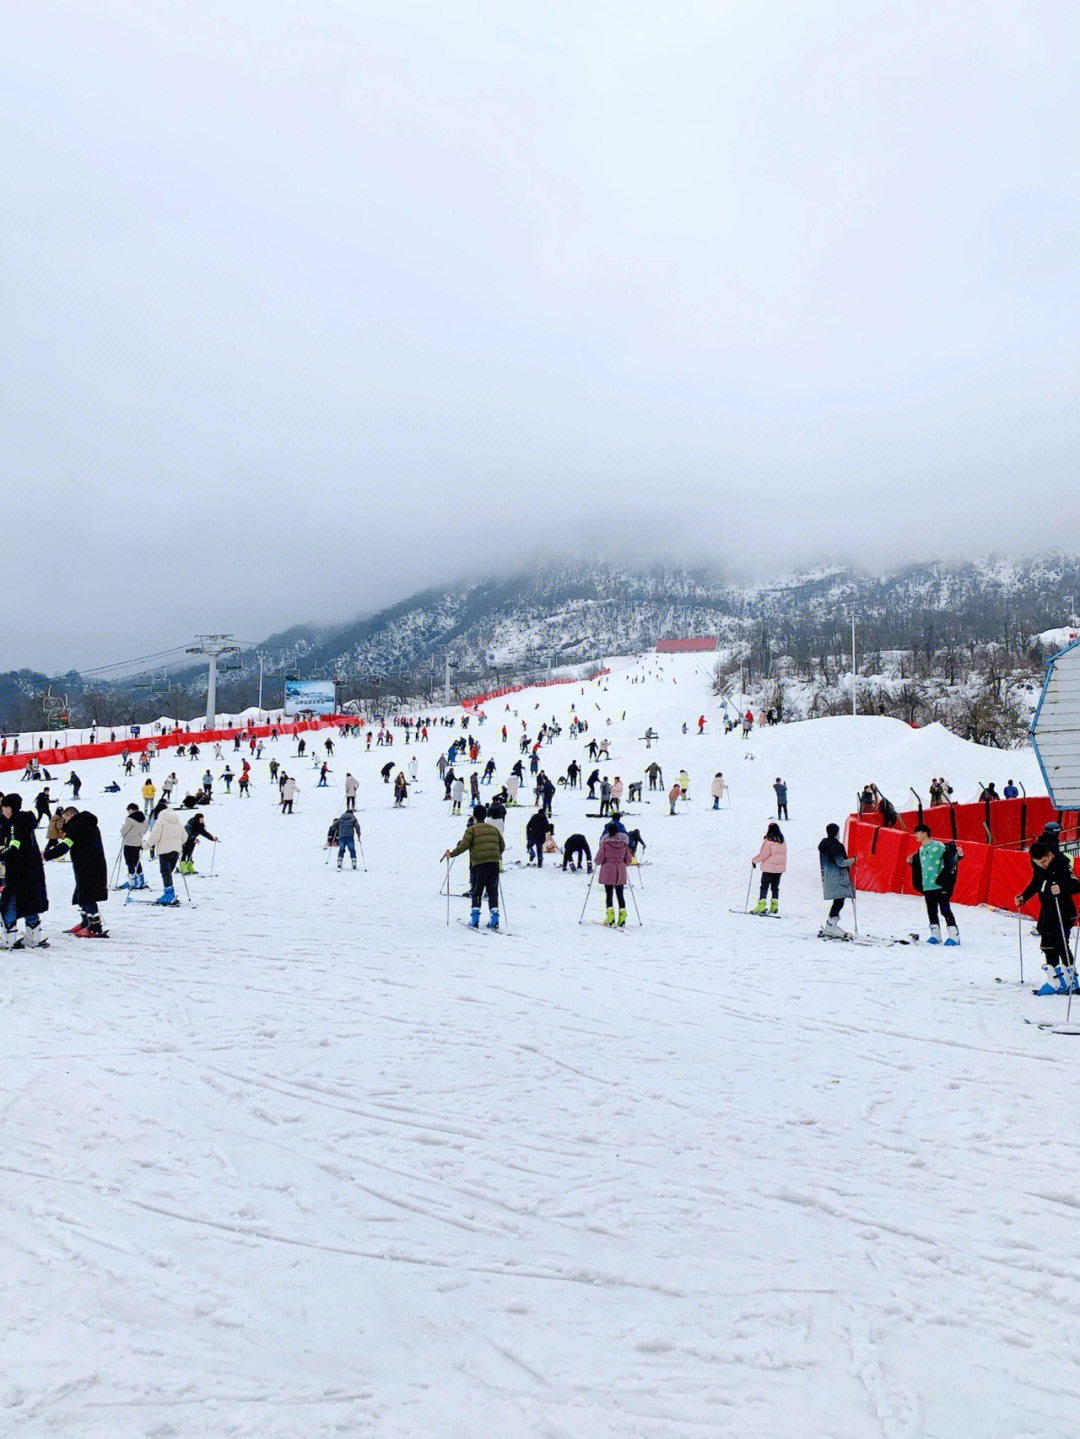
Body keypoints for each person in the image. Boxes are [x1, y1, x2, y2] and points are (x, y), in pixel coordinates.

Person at [1018, 841, 1080, 994]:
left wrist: (1062, 889)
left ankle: (1070, 979)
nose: (1043, 865)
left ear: (1049, 855)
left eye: (1045, 861)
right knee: (1048, 945)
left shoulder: (1062, 865)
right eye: (1039, 863)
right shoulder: (1038, 866)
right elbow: (1035, 883)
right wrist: (1023, 896)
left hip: (1063, 911)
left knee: (1060, 944)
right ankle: (1056, 978)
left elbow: (1076, 885)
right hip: (1047, 911)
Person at [43, 807, 109, 936]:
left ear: (69, 814)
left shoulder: (76, 826)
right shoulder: (88, 824)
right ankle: (86, 922)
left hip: (87, 863)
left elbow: (66, 845)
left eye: (64, 818)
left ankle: (95, 925)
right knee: (81, 891)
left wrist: (47, 855)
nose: (64, 821)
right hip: (92, 862)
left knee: (87, 892)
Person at [443, 804, 505, 929]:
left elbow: (463, 846)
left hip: (479, 864)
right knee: (492, 891)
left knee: (477, 890)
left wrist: (451, 854)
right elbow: (502, 845)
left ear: (474, 816)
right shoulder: (493, 829)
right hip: (493, 863)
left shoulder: (471, 830)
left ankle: (475, 918)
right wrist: (495, 854)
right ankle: (495, 918)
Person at [0, 793, 49, 947]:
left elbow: (14, 847)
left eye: (3, 808)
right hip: (33, 869)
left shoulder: (15, 823)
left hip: (19, 871)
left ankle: (9, 938)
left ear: (9, 808)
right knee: (29, 902)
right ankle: (33, 937)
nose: (2, 812)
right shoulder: (27, 821)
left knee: (10, 902)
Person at [907, 823, 962, 944]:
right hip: (927, 885)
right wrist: (911, 861)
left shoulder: (938, 846)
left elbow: (951, 854)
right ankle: (935, 935)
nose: (915, 835)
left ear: (924, 833)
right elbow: (920, 865)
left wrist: (959, 853)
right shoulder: (921, 850)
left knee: (944, 909)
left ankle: (954, 935)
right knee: (931, 910)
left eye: (917, 832)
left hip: (939, 884)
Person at [818, 823, 855, 936]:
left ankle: (830, 925)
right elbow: (840, 862)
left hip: (829, 877)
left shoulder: (824, 845)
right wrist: (852, 861)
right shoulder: (835, 846)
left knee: (838, 902)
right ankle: (831, 926)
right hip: (838, 877)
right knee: (839, 902)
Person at [145, 805, 185, 904]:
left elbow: (154, 836)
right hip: (176, 850)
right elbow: (185, 836)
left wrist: (145, 845)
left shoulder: (160, 821)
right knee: (169, 873)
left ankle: (168, 894)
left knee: (165, 873)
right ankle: (170, 892)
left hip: (164, 850)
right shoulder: (178, 821)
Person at [596, 821, 631, 927]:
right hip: (620, 868)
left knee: (609, 893)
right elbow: (628, 859)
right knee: (620, 894)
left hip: (608, 868)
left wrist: (597, 861)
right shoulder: (623, 844)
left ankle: (610, 917)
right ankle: (622, 918)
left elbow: (599, 858)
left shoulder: (605, 844)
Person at [751, 822, 787, 915]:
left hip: (768, 868)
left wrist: (754, 860)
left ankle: (761, 905)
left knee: (764, 886)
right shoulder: (782, 841)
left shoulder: (768, 841)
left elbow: (764, 854)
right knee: (775, 887)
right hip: (779, 868)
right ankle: (774, 906)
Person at [119, 804, 148, 889]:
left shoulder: (130, 819)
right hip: (138, 842)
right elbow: (145, 830)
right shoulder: (143, 819)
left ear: (131, 809)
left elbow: (123, 831)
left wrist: (124, 829)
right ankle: (141, 879)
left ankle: (133, 880)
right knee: (137, 860)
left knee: (130, 862)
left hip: (129, 842)